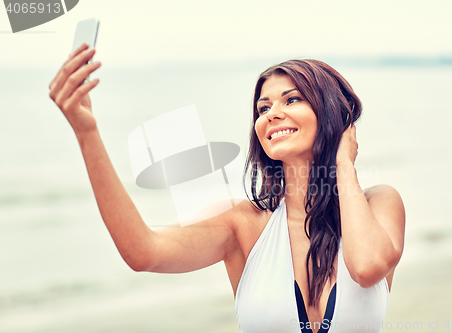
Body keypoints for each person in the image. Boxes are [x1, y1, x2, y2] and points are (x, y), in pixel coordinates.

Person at [48, 44, 405, 333]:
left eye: (291, 99)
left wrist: (344, 162)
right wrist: (87, 132)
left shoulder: (379, 203)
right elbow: (143, 252)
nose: (271, 114)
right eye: (263, 108)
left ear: (331, 113)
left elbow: (367, 266)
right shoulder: (242, 225)